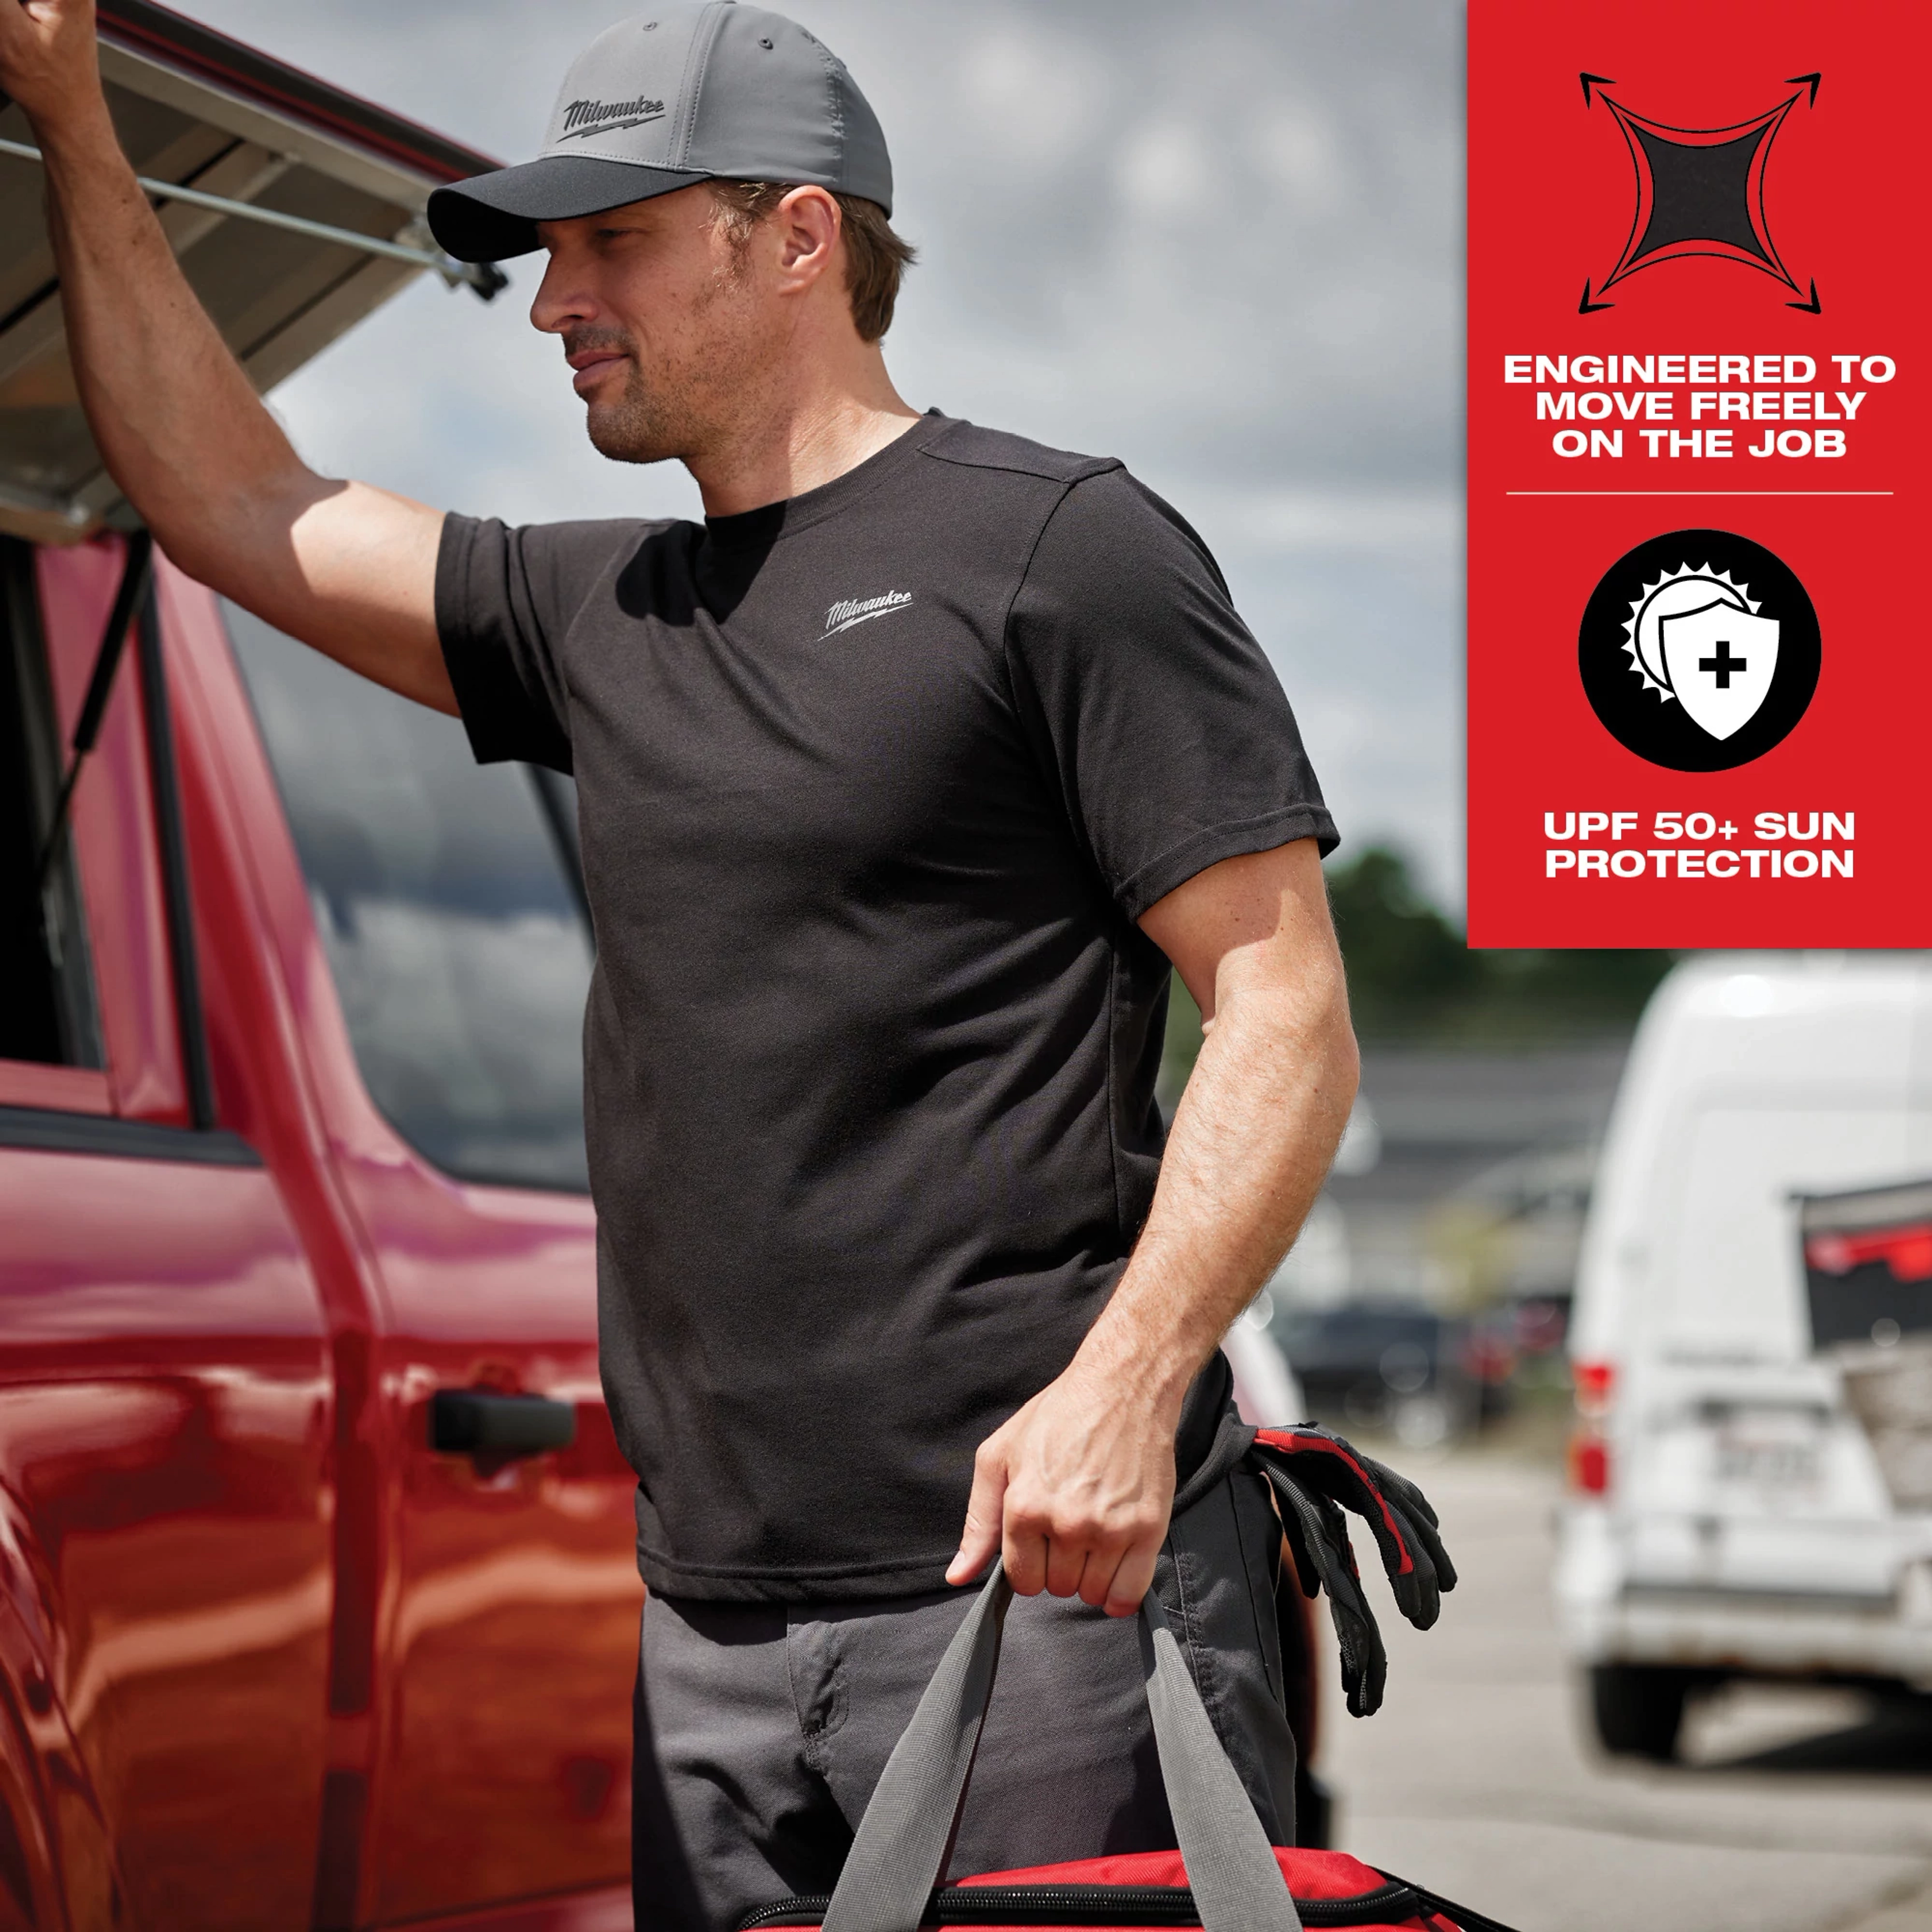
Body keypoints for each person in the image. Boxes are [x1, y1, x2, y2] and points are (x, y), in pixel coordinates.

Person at [0, 1, 1359, 1922]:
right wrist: (66, 106)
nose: (555, 298)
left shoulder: (1062, 551)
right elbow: (238, 503)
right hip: (711, 1630)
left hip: (1039, 1598)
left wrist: (1126, 1388)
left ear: (796, 238)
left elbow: (1286, 1008)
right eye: (552, 250)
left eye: (610, 238)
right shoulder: (598, 611)